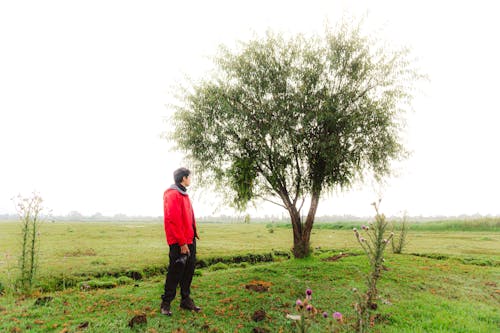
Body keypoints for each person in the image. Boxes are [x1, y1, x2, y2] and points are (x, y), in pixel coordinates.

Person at [160, 167, 201, 316]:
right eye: (189, 177)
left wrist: (191, 237)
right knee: (175, 271)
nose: (190, 179)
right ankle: (166, 303)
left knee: (189, 270)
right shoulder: (172, 195)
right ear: (183, 178)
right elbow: (173, 220)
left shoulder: (183, 194)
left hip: (189, 239)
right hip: (179, 242)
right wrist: (182, 243)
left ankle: (185, 300)